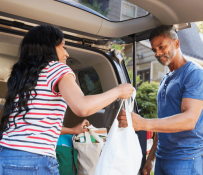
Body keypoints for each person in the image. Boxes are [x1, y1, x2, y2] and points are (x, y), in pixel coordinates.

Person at [0, 25, 134, 174]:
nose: (67, 54)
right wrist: (118, 91)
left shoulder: (21, 77)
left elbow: (34, 125)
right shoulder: (57, 69)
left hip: (5, 156)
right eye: (63, 47)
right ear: (49, 48)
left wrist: (72, 130)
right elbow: (82, 107)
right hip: (36, 160)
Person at [118, 25, 203, 175]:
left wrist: (143, 123)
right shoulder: (165, 80)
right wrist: (151, 158)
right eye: (154, 50)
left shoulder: (195, 74)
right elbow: (164, 122)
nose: (158, 53)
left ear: (176, 43)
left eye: (161, 46)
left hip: (187, 160)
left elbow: (189, 120)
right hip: (163, 157)